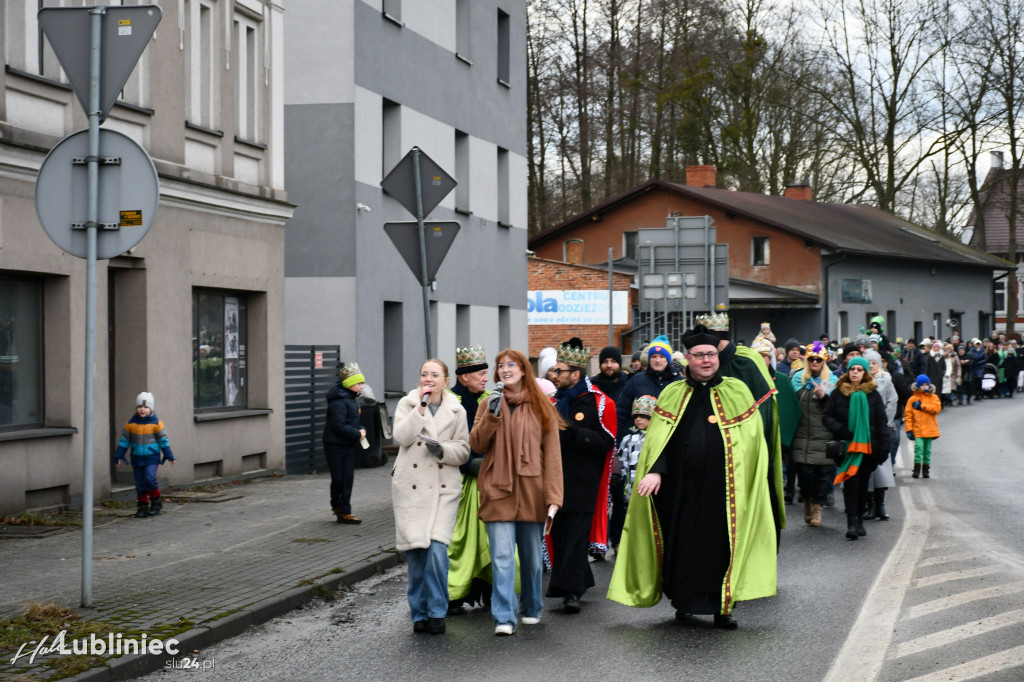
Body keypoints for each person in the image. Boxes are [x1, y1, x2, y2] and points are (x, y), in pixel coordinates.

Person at [608, 324, 778, 629]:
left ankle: (722, 609)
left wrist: (748, 477)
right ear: (688, 358)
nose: (707, 360)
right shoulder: (673, 393)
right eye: (700, 355)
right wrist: (657, 472)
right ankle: (684, 603)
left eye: (711, 354)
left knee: (721, 546)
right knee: (682, 544)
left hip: (724, 490)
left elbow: (753, 442)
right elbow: (660, 439)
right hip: (681, 488)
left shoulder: (737, 391)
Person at [470, 349, 563, 635]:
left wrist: (554, 498)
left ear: (524, 370)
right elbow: (476, 444)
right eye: (501, 366)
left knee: (533, 559)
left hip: (533, 491)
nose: (506, 369)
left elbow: (553, 456)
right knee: (502, 556)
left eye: (512, 365)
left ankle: (532, 607)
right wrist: (492, 416)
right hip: (499, 489)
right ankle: (504, 616)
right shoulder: (488, 404)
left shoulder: (541, 406)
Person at [391, 359, 470, 635]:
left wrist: (442, 451)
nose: (429, 378)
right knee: (416, 556)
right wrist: (420, 409)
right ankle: (419, 614)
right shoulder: (408, 404)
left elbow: (463, 450)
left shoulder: (456, 410)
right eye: (424, 374)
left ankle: (437, 611)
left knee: (436, 552)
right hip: (411, 488)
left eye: (435, 374)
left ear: (445, 380)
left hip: (443, 490)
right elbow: (400, 437)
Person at [546, 339, 616, 610]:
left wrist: (574, 435)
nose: (554, 375)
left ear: (575, 374)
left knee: (576, 538)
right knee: (562, 535)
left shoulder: (598, 402)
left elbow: (607, 441)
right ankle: (579, 579)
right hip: (556, 480)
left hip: (584, 482)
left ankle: (570, 592)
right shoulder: (552, 402)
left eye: (559, 371)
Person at [447, 346, 497, 614]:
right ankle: (455, 594)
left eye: (486, 373)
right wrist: (467, 463)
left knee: (491, 539)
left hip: (489, 480)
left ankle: (490, 591)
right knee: (461, 541)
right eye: (481, 373)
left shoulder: (491, 399)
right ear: (464, 376)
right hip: (457, 481)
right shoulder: (448, 402)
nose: (485, 378)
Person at [822, 357, 892, 541]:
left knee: (862, 486)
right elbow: (827, 417)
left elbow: (881, 422)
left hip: (868, 448)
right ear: (847, 370)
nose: (855, 372)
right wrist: (842, 429)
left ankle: (859, 519)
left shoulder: (873, 395)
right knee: (851, 485)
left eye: (860, 369)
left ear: (865, 373)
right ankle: (851, 523)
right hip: (847, 447)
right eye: (852, 369)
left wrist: (884, 447)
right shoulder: (838, 393)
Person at [790, 342, 835, 528]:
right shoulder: (797, 379)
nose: (815, 362)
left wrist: (824, 396)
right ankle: (808, 501)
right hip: (803, 436)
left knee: (824, 475)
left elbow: (836, 409)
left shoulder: (832, 379)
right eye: (811, 359)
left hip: (825, 436)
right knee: (805, 475)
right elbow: (790, 407)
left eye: (818, 359)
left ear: (824, 360)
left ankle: (818, 507)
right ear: (806, 360)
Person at [114, 392, 176, 518]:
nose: (142, 409)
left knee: (150, 479)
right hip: (137, 458)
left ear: (151, 409)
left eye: (146, 407)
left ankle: (156, 503)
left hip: (151, 458)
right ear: (136, 408)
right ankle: (142, 507)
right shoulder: (130, 424)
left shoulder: (157, 424)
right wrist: (118, 455)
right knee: (140, 483)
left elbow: (163, 441)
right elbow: (124, 441)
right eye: (139, 407)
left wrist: (169, 455)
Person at [614, 337, 681, 442]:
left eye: (662, 356)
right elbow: (622, 412)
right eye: (654, 356)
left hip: (670, 443)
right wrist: (620, 439)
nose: (657, 360)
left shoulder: (679, 383)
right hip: (639, 443)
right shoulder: (636, 381)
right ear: (649, 359)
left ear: (667, 359)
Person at [324, 362, 366, 524]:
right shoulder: (339, 401)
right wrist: (357, 433)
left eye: (362, 382)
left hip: (348, 445)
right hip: (334, 446)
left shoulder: (352, 399)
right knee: (339, 479)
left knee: (348, 479)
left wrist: (361, 429)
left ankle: (345, 512)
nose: (361, 386)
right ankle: (337, 505)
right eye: (358, 383)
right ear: (349, 383)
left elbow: (352, 422)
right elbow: (339, 425)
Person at [862, 350, 897, 521]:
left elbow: (893, 401)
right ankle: (870, 505)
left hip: (882, 429)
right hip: (866, 429)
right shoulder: (861, 381)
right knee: (868, 468)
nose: (871, 366)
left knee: (882, 468)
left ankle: (881, 505)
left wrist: (885, 421)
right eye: (868, 363)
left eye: (874, 363)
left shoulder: (887, 380)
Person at [616, 394, 656, 520]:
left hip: (652, 488)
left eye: (643, 416)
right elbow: (623, 463)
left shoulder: (656, 438)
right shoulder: (627, 440)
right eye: (636, 416)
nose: (638, 419)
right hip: (631, 489)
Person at [905, 374, 942, 479]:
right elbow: (908, 416)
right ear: (918, 386)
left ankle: (925, 470)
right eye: (922, 385)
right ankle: (916, 469)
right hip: (918, 429)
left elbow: (936, 409)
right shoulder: (912, 399)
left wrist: (922, 406)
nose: (925, 387)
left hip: (929, 429)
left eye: (927, 384)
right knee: (918, 449)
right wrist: (909, 429)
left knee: (927, 451)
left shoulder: (934, 397)